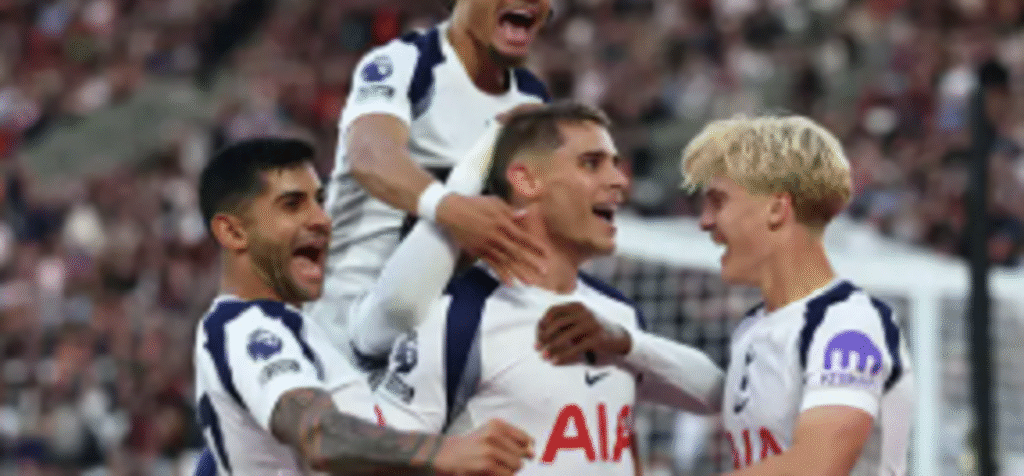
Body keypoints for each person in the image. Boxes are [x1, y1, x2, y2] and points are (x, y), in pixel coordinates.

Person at [373, 102, 725, 475]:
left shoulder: (618, 315)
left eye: (615, 162)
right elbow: (375, 456)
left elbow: (716, 395)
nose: (620, 180)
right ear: (526, 181)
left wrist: (627, 343)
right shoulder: (456, 316)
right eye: (591, 163)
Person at [192, 137, 535, 475]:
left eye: (320, 201)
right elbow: (320, 436)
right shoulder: (248, 326)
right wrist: (445, 453)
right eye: (292, 205)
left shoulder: (294, 331)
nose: (321, 219)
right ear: (233, 233)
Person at [307, 0, 558, 358]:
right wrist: (452, 209)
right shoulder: (406, 63)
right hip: (342, 334)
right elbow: (371, 156)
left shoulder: (533, 101)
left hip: (438, 343)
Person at [678, 115, 914, 475]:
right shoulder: (753, 329)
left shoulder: (848, 323)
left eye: (718, 202)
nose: (705, 221)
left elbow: (818, 465)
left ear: (776, 209)